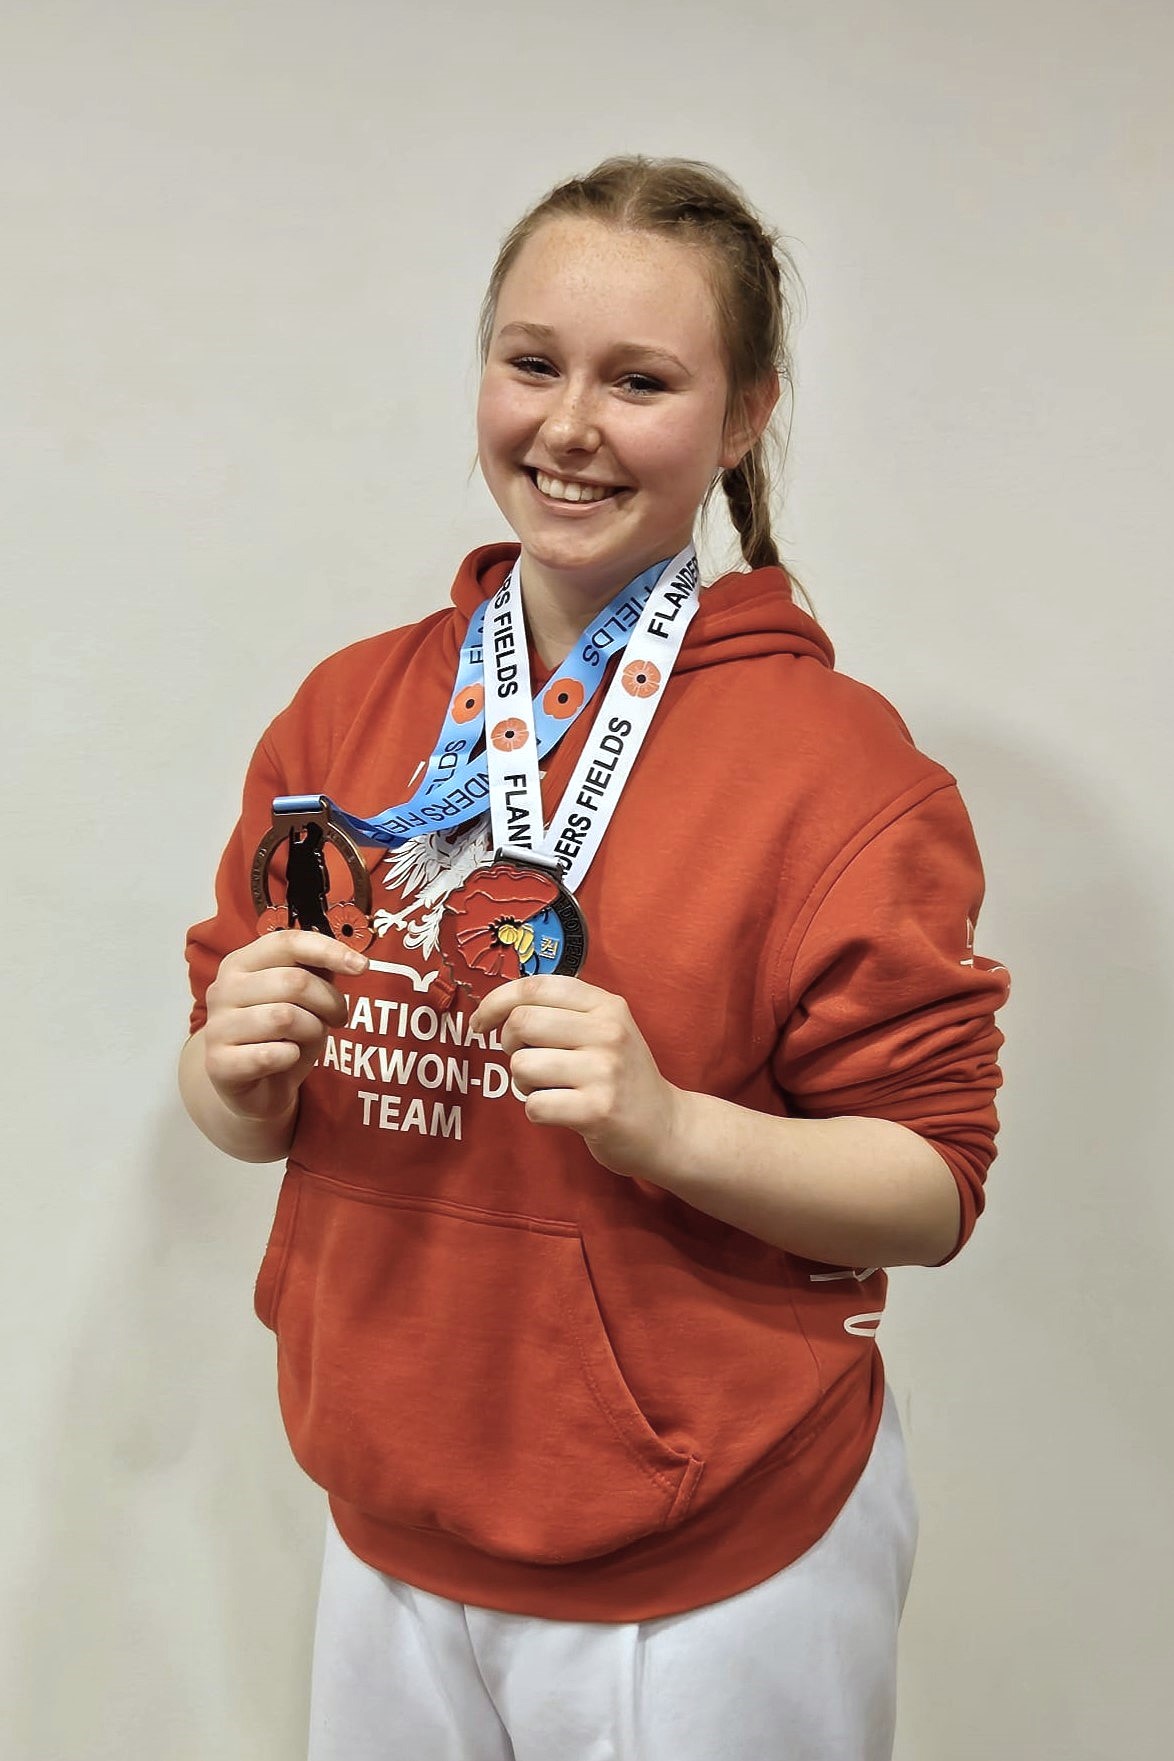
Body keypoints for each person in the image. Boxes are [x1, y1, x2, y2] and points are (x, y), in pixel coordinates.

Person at [181, 155, 1009, 1761]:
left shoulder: (842, 771)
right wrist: (231, 1068)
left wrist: (669, 1126)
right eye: (531, 362)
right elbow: (245, 1109)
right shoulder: (346, 709)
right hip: (390, 1513)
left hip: (713, 1555)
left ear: (744, 413)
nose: (568, 425)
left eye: (639, 381)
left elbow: (934, 1185)